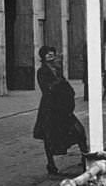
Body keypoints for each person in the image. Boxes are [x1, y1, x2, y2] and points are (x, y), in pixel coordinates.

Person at [32, 46, 88, 175]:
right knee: (49, 136)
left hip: (63, 108)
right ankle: (51, 164)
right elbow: (47, 88)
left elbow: (65, 85)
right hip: (50, 108)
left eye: (52, 54)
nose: (51, 56)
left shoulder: (57, 69)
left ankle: (85, 157)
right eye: (48, 54)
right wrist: (59, 83)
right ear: (43, 57)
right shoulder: (42, 71)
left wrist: (68, 91)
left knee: (79, 131)